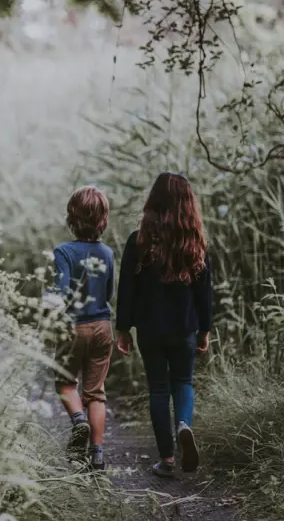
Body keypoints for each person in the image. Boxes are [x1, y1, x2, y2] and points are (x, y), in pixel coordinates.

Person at [115, 172, 212, 478]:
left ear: (152, 203)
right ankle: (184, 423)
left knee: (158, 389)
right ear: (188, 205)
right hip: (184, 327)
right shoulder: (194, 243)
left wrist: (123, 328)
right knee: (183, 382)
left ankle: (168, 460)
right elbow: (204, 291)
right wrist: (205, 329)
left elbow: (126, 288)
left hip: (150, 329)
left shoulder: (139, 241)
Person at [49, 185, 115, 471]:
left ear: (71, 218)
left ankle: (79, 422)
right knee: (96, 392)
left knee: (64, 381)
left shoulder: (63, 252)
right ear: (103, 220)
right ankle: (97, 456)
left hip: (73, 327)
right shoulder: (108, 253)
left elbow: (60, 293)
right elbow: (109, 292)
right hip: (102, 326)